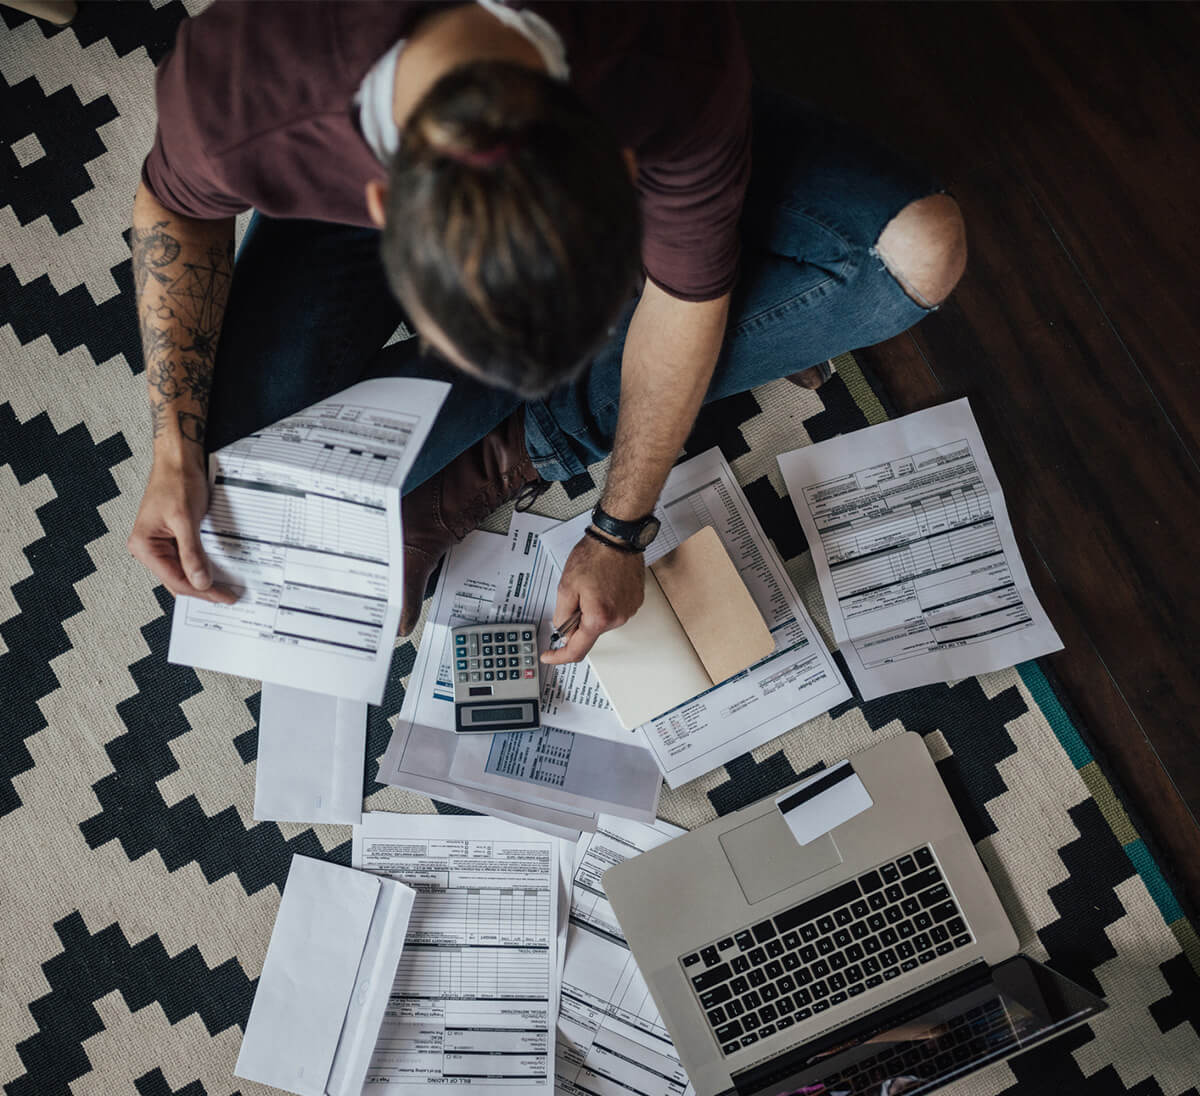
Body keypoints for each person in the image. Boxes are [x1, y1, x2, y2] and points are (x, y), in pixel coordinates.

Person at [127, 0, 965, 668]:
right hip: (357, 122)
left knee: (917, 254)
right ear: (381, 204)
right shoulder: (248, 86)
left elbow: (686, 299)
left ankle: (517, 449)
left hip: (653, 92)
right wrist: (174, 445)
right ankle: (534, 413)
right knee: (238, 486)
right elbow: (172, 208)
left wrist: (619, 525)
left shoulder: (668, 56)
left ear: (624, 171)